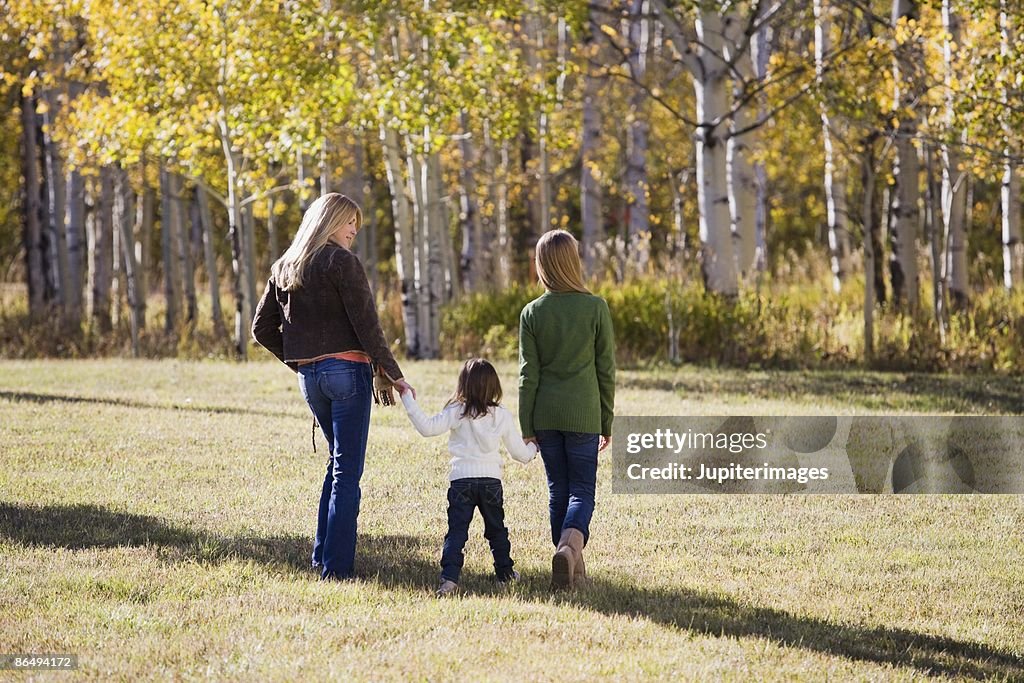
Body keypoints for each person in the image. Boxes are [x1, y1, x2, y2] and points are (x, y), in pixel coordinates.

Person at [252, 193, 414, 581]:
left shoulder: (285, 266)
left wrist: (301, 360)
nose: (354, 229)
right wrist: (393, 372)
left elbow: (261, 330)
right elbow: (367, 326)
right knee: (347, 472)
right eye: (348, 222)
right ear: (328, 222)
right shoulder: (342, 263)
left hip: (311, 380)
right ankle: (337, 571)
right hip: (347, 375)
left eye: (356, 223)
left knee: (336, 464)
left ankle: (322, 557)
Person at [518, 229, 615, 589]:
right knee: (582, 493)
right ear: (574, 263)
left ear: (542, 266)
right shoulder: (595, 308)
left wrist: (526, 423)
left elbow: (528, 374)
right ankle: (567, 550)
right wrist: (607, 420)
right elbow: (605, 370)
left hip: (545, 416)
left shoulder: (532, 313)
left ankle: (574, 571)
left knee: (559, 491)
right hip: (583, 415)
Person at [399, 358, 537, 596]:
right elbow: (521, 454)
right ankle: (505, 573)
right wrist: (534, 448)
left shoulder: (456, 411)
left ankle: (449, 579)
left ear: (464, 384)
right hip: (491, 482)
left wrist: (406, 398)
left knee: (456, 532)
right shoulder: (501, 414)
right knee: (497, 531)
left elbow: (427, 428)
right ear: (494, 386)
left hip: (461, 481)